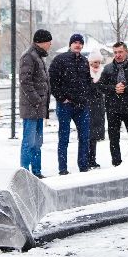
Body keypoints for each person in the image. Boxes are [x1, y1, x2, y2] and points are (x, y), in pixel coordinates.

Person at [48, 33, 94, 174]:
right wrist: (62, 98)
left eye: (80, 43)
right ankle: (63, 168)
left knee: (84, 137)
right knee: (64, 137)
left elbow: (87, 81)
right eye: (75, 42)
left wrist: (86, 95)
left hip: (82, 105)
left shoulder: (84, 61)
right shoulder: (60, 60)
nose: (78, 45)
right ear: (70, 44)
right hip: (65, 105)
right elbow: (53, 81)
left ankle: (83, 165)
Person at [17, 29, 53, 177]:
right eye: (49, 41)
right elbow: (25, 82)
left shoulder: (38, 56)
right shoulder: (29, 56)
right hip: (32, 108)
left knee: (37, 143)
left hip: (38, 108)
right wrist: (37, 100)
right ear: (42, 42)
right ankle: (25, 173)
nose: (50, 44)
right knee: (29, 142)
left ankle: (36, 172)